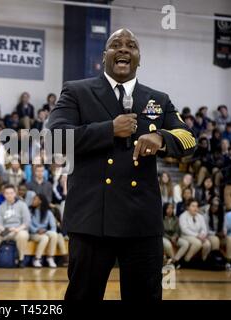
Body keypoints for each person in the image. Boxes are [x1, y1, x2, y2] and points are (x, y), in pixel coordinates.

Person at [47, 28, 196, 300]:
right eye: (116, 45)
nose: (124, 49)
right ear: (104, 57)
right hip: (92, 220)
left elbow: (188, 139)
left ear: (139, 59)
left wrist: (161, 137)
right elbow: (55, 139)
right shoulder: (77, 91)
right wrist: (109, 129)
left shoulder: (158, 100)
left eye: (131, 46)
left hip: (141, 222)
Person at [29, 194, 61, 268]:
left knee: (54, 234)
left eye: (35, 199)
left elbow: (53, 226)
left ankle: (50, 257)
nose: (33, 201)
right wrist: (36, 230)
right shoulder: (30, 211)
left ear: (40, 201)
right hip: (33, 233)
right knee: (45, 238)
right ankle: (37, 259)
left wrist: (46, 231)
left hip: (44, 232)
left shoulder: (48, 212)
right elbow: (28, 224)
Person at [162, 203, 189, 269]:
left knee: (185, 243)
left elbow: (177, 230)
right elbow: (162, 231)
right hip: (164, 237)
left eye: (171, 208)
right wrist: (170, 238)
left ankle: (175, 260)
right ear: (165, 209)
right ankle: (175, 262)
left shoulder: (176, 218)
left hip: (174, 237)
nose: (170, 210)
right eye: (168, 208)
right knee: (168, 245)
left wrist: (175, 236)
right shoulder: (161, 218)